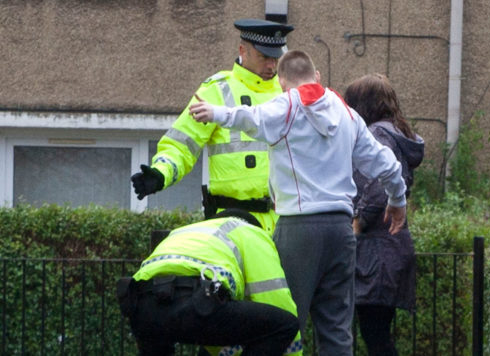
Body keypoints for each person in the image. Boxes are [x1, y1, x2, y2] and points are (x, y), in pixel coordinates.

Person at [190, 50, 408, 355]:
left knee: (285, 322)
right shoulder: (347, 114)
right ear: (317, 76)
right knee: (336, 330)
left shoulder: (285, 106)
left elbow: (250, 117)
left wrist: (214, 113)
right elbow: (386, 163)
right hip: (341, 231)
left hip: (298, 228)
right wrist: (397, 199)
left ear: (281, 82)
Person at [130, 18, 295, 235]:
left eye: (276, 57)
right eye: (264, 57)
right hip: (233, 221)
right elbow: (182, 144)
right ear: (243, 50)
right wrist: (161, 173)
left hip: (285, 221)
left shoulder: (289, 92)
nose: (271, 65)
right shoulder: (216, 90)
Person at [116, 208, 303, 356]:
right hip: (198, 302)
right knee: (285, 325)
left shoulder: (186, 231)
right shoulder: (252, 232)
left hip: (142, 307)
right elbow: (274, 298)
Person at [344, 73, 425, 356]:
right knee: (377, 333)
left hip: (376, 249)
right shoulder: (397, 132)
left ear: (363, 105)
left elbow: (381, 187)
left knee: (374, 335)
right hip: (391, 246)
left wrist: (357, 222)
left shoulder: (378, 134)